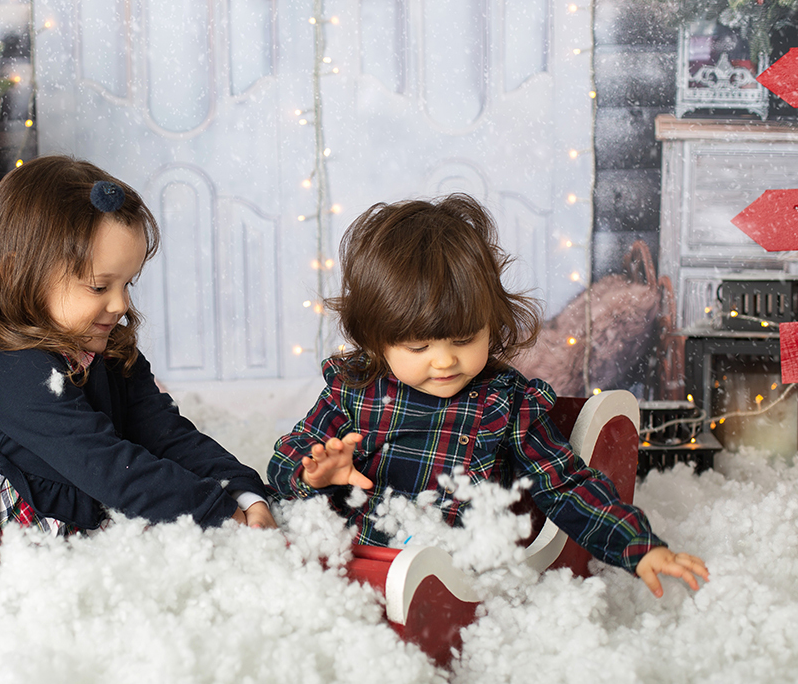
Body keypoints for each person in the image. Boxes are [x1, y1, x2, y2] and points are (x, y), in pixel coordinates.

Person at [0, 155, 275, 620]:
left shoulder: (109, 352)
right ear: (17, 273)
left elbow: (168, 435)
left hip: (69, 536)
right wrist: (213, 513)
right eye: (100, 286)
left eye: (127, 283)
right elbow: (113, 468)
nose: (120, 304)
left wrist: (243, 493)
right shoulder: (15, 372)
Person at [266, 194, 708, 598]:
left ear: (491, 325)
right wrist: (315, 475)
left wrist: (638, 546)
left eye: (464, 340)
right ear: (377, 340)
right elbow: (283, 464)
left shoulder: (503, 403)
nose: (444, 362)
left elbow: (565, 484)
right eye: (419, 348)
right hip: (359, 565)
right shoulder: (353, 389)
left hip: (451, 575)